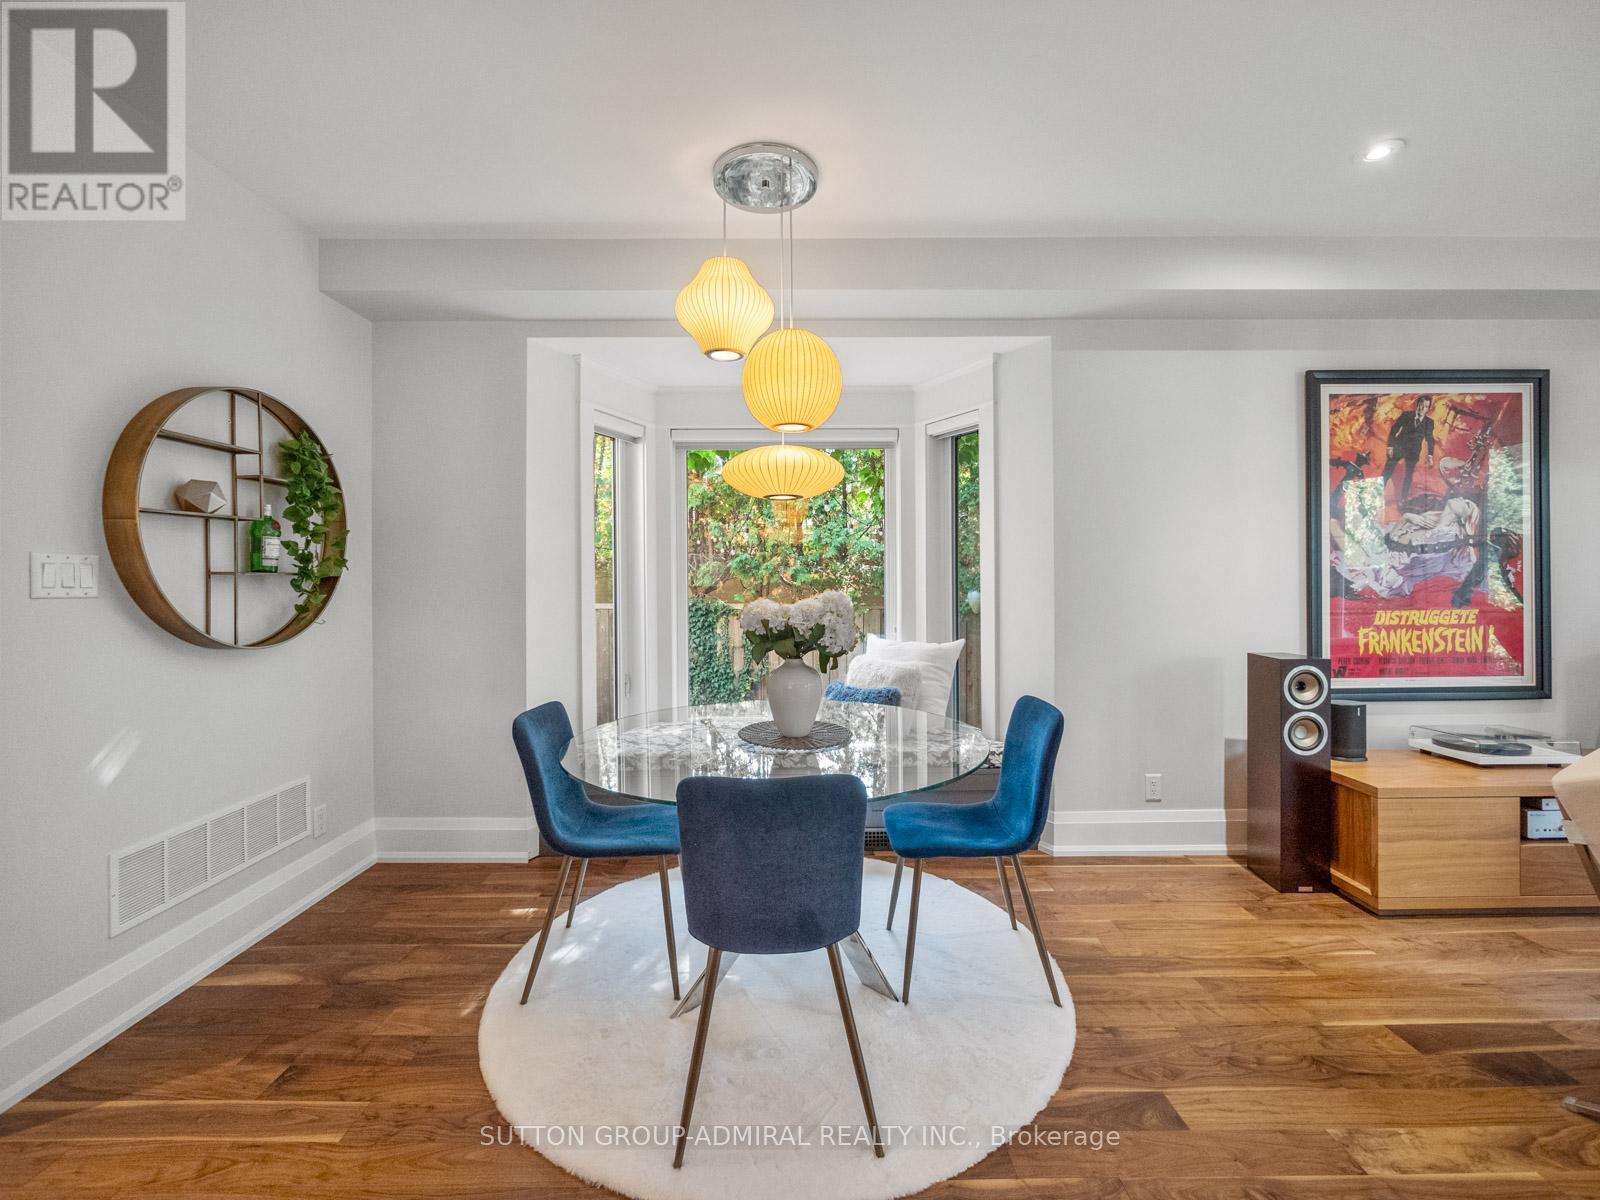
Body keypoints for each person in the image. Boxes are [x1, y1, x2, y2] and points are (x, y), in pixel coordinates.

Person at [1381, 395, 1435, 502]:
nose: (1422, 409)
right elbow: (1394, 429)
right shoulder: (1406, 415)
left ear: (1428, 409)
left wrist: (1430, 456)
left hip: (1413, 452)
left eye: (1425, 407)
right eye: (1420, 405)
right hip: (1399, 447)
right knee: (1387, 472)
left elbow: (1430, 439)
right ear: (1417, 405)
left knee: (1408, 476)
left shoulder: (1429, 422)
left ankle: (1403, 499)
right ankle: (1375, 496)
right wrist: (1390, 446)